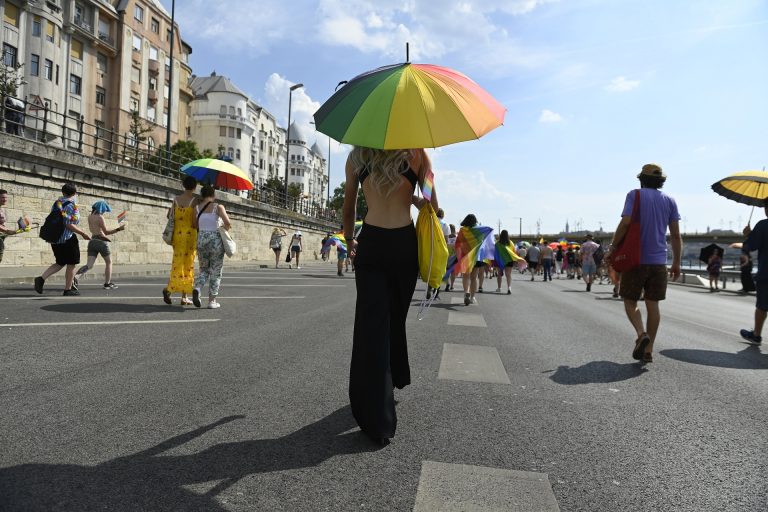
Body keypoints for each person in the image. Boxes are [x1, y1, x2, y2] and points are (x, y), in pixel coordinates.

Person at [342, 146, 436, 445]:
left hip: (370, 243)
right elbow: (434, 203)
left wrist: (348, 239)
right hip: (404, 246)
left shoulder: (358, 156)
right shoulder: (419, 156)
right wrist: (418, 200)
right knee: (394, 317)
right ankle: (392, 380)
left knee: (371, 326)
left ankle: (375, 411)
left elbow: (349, 206)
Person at [608, 163, 681, 363]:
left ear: (641, 179)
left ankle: (641, 334)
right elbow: (675, 235)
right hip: (659, 262)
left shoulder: (635, 195)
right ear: (661, 181)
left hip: (636, 259)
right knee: (653, 304)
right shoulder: (670, 201)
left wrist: (613, 247)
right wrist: (676, 262)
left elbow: (625, 223)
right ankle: (649, 350)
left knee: (630, 300)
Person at [34, 183, 92, 296]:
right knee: (72, 263)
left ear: (63, 192)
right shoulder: (71, 205)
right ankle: (68, 289)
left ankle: (41, 279)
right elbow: (68, 224)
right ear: (74, 193)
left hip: (55, 239)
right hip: (67, 239)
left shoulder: (57, 203)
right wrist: (83, 233)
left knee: (60, 262)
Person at [191, 185, 232, 309]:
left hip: (201, 239)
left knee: (204, 269)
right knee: (215, 270)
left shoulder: (196, 208)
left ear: (202, 195)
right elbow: (228, 223)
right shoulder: (218, 207)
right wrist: (222, 227)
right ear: (213, 195)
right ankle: (212, 301)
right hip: (215, 241)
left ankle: (197, 288)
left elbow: (194, 224)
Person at [163, 176, 199, 305]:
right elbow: (195, 222)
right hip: (190, 236)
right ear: (194, 187)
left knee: (177, 262)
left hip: (177, 236)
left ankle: (170, 290)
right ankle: (183, 296)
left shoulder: (176, 199)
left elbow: (169, 215)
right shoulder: (194, 201)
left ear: (183, 185)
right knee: (188, 264)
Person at [74, 200, 126, 289]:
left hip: (92, 240)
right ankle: (107, 283)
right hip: (101, 241)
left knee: (89, 265)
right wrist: (119, 229)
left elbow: (96, 228)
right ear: (101, 209)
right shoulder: (100, 217)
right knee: (109, 262)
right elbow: (105, 232)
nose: (104, 211)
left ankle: (75, 278)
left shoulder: (89, 217)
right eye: (104, 210)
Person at [739, 201, 768, 345]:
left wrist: (748, 235)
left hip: (766, 275)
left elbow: (751, 246)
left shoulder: (763, 225)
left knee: (762, 306)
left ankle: (756, 335)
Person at [495, 230, 517, 294]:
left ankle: (499, 288)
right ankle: (509, 287)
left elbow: (495, 253)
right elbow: (513, 252)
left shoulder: (497, 243)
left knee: (499, 274)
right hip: (509, 260)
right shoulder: (511, 243)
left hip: (500, 260)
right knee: (508, 275)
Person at [0, 189, 16, 263]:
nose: (5, 199)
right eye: (3, 197)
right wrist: (6, 230)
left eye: (6, 197)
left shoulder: (1, 209)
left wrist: (11, 230)